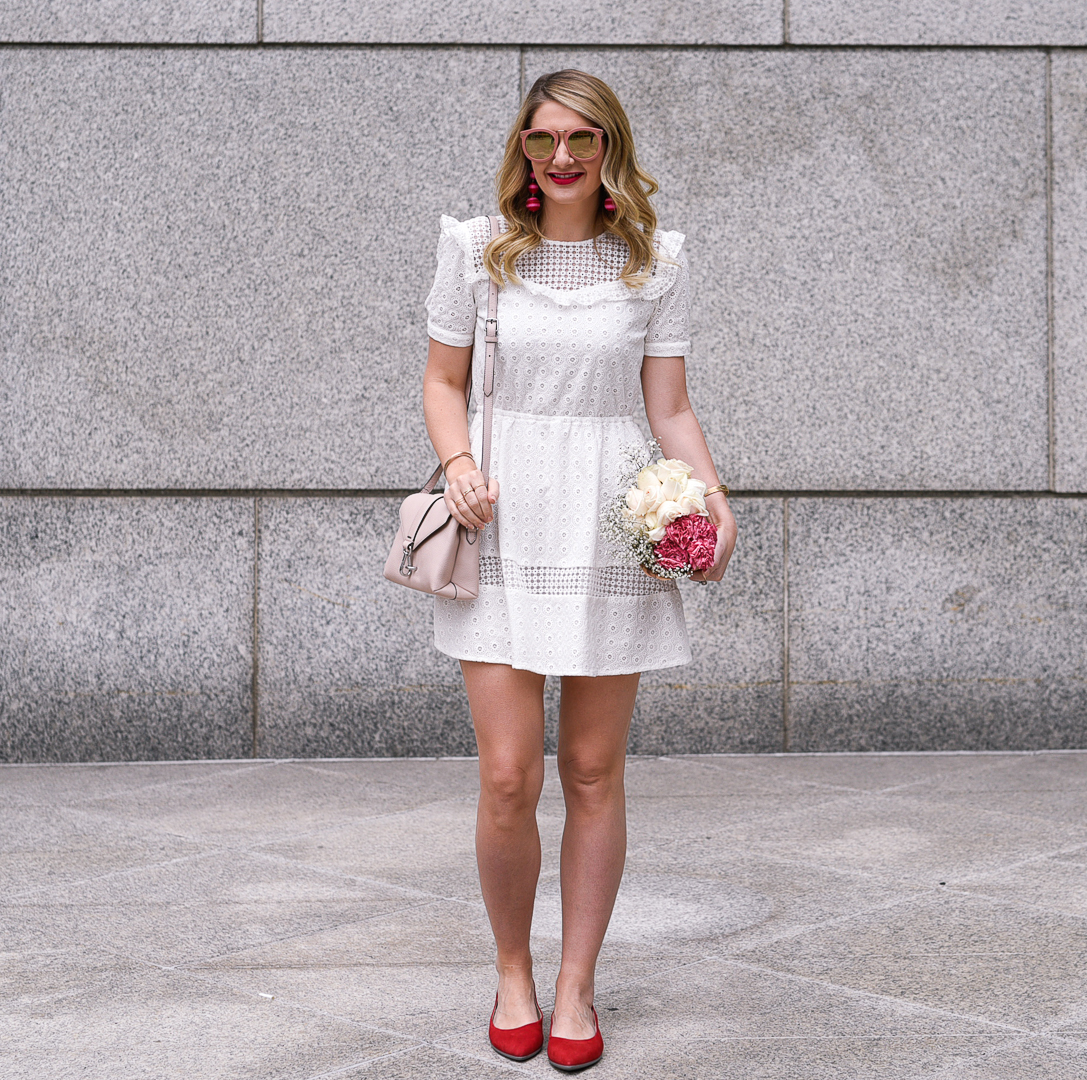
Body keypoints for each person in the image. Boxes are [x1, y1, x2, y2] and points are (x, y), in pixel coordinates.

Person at [421, 69, 737, 1072]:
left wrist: (711, 499)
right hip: (504, 522)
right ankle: (513, 968)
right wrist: (460, 464)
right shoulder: (475, 251)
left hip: (608, 519)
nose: (562, 158)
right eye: (545, 138)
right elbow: (441, 380)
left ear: (611, 151)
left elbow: (669, 409)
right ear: (522, 144)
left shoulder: (655, 261)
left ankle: (575, 987)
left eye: (584, 140)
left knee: (594, 772)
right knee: (509, 777)